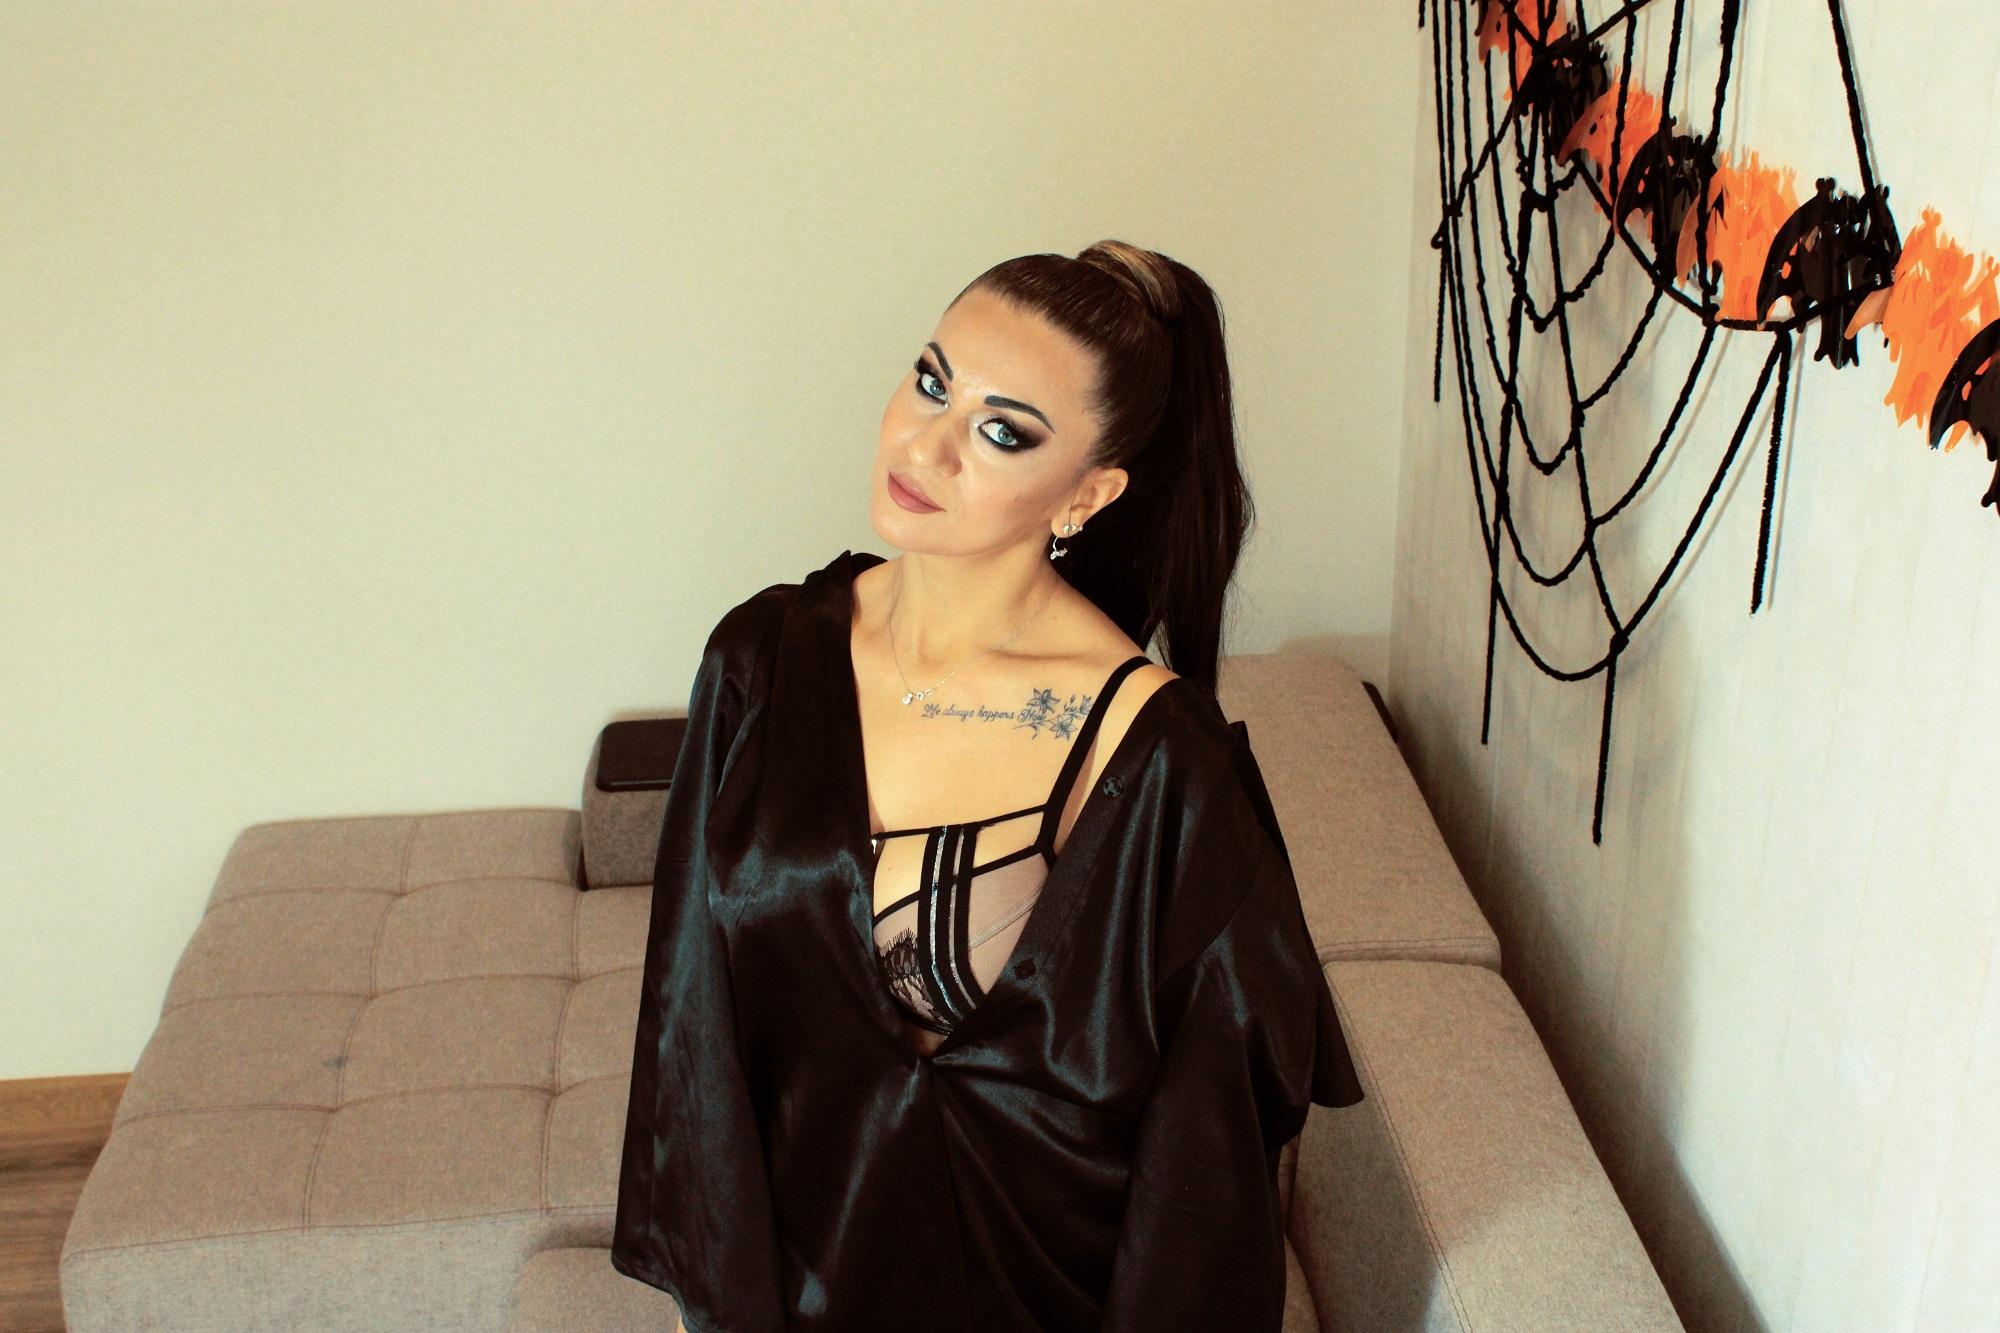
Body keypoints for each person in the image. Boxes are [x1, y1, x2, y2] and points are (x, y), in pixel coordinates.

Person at [614, 241, 1364, 1332]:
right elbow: (690, 1011)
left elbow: (1201, 1169)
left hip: (1031, 1293)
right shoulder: (761, 658)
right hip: (794, 1291)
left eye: (1001, 431)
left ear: (1088, 493)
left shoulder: (1154, 758)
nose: (926, 445)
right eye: (932, 382)